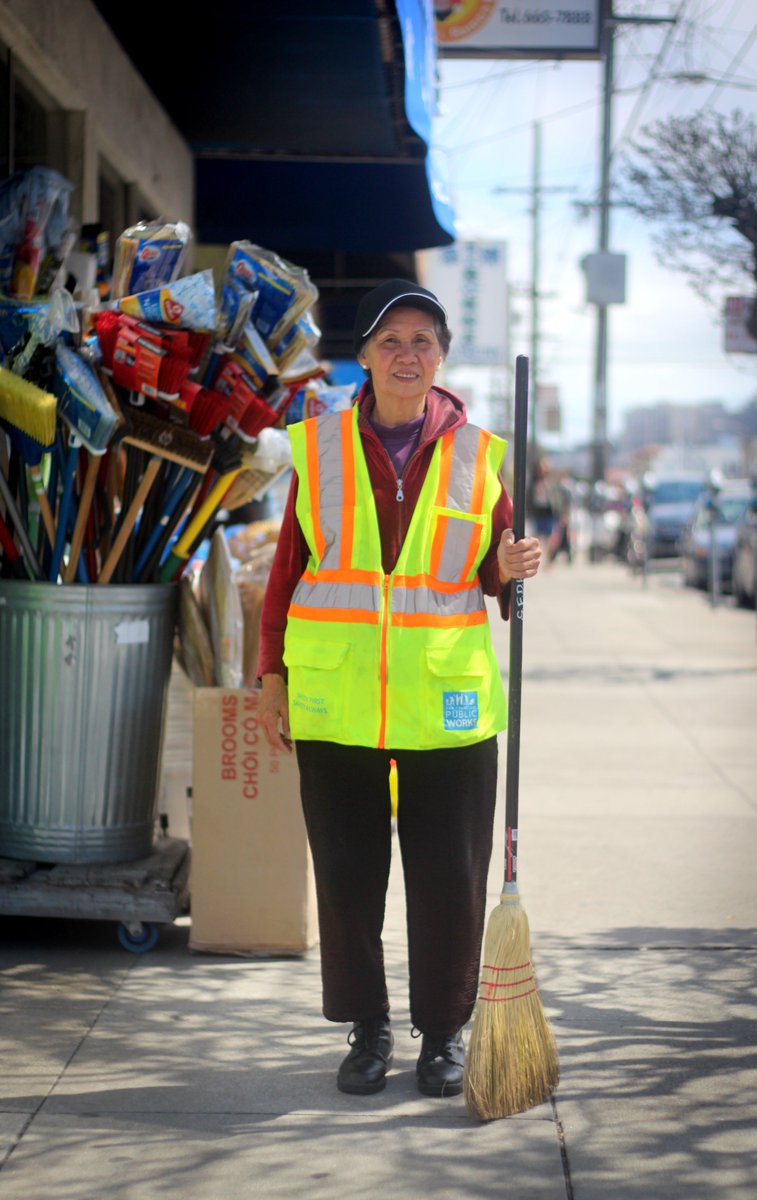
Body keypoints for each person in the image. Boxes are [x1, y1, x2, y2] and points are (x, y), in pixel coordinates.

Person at [256, 279, 542, 1099]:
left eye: (423, 340)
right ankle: (367, 1026)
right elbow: (288, 573)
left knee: (449, 876)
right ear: (365, 357)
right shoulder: (316, 449)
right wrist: (270, 677)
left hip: (445, 701)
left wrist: (511, 567)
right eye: (390, 340)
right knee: (347, 875)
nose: (407, 355)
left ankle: (444, 1033)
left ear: (442, 356)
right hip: (336, 696)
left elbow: (495, 576)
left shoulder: (481, 457)